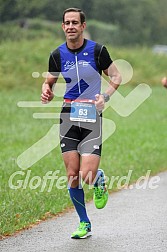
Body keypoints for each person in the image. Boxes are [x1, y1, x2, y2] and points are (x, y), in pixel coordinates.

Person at [41, 8, 121, 239]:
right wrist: (46, 91)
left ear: (83, 26)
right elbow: (49, 82)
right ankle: (84, 223)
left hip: (91, 116)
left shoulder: (97, 50)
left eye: (75, 22)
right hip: (68, 115)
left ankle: (98, 178)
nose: (71, 26)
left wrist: (104, 97)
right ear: (62, 26)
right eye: (67, 23)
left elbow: (116, 76)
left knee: (86, 175)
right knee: (72, 174)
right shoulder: (57, 55)